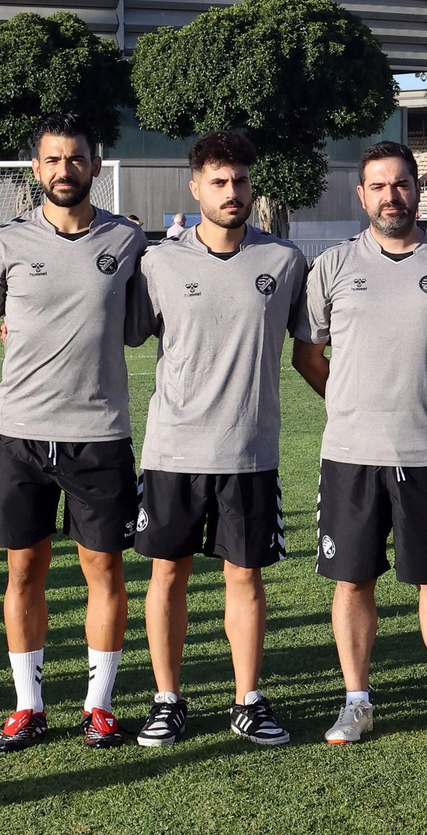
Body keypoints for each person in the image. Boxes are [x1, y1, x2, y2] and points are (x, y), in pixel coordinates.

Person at [294, 141, 427, 746]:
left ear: (418, 189)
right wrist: (347, 401)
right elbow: (309, 354)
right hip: (350, 454)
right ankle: (356, 702)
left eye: (402, 184)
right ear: (362, 195)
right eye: (379, 186)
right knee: (353, 580)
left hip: (426, 452)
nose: (391, 196)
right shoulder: (333, 264)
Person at [0, 113, 147, 752]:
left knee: (105, 570)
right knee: (23, 571)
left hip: (99, 435)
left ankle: (99, 706)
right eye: (52, 159)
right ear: (35, 168)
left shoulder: (128, 241)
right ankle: (28, 705)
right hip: (17, 437)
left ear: (95, 165)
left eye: (75, 158)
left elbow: (150, 321)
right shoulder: (6, 244)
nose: (64, 170)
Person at [125, 131, 307, 748]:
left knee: (245, 578)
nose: (232, 192)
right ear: (195, 188)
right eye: (219, 182)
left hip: (249, 451)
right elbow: (112, 326)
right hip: (173, 450)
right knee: (166, 575)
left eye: (241, 181)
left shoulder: (284, 262)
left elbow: (321, 336)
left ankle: (247, 700)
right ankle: (167, 700)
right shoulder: (160, 262)